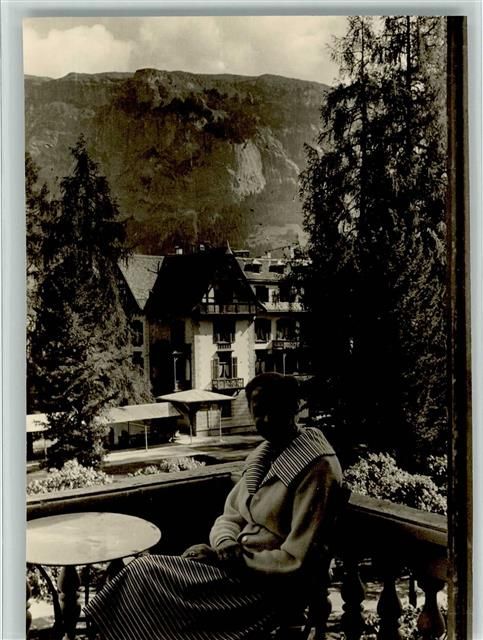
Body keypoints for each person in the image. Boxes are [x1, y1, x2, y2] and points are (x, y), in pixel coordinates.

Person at [85, 373, 342, 640]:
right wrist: (224, 546)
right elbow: (230, 517)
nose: (265, 420)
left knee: (146, 574)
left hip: (266, 586)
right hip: (235, 566)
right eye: (258, 412)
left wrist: (232, 560)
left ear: (294, 409)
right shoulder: (263, 456)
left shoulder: (316, 467)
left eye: (274, 410)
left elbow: (297, 559)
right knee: (143, 572)